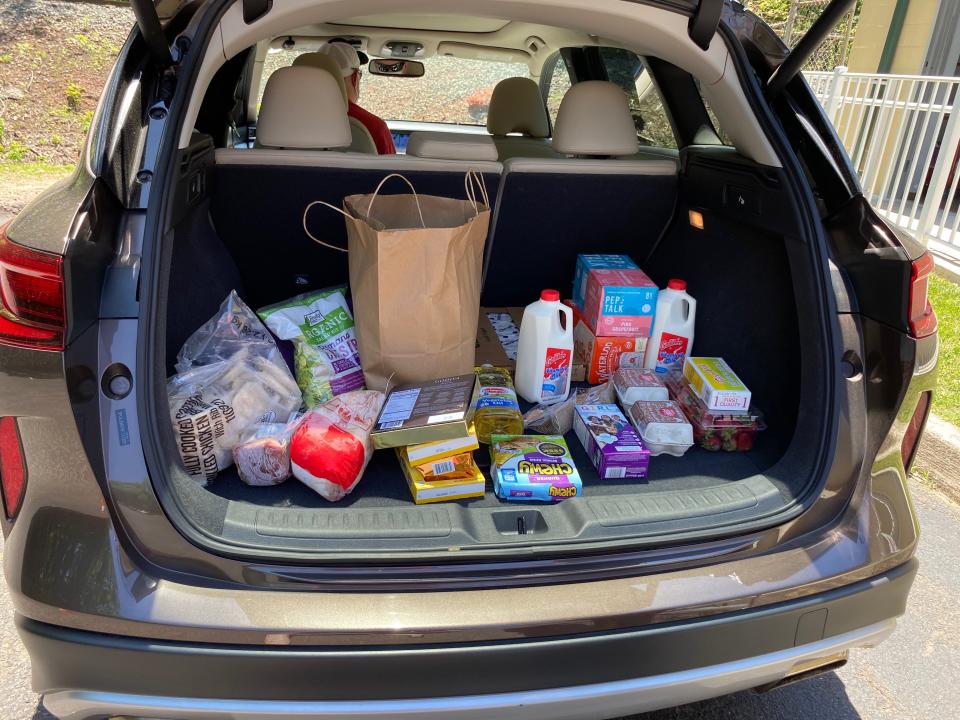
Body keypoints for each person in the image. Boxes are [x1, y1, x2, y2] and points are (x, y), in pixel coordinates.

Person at [317, 41, 396, 155]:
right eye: (359, 73)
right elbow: (393, 172)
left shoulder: (288, 119)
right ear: (354, 78)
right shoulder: (374, 127)